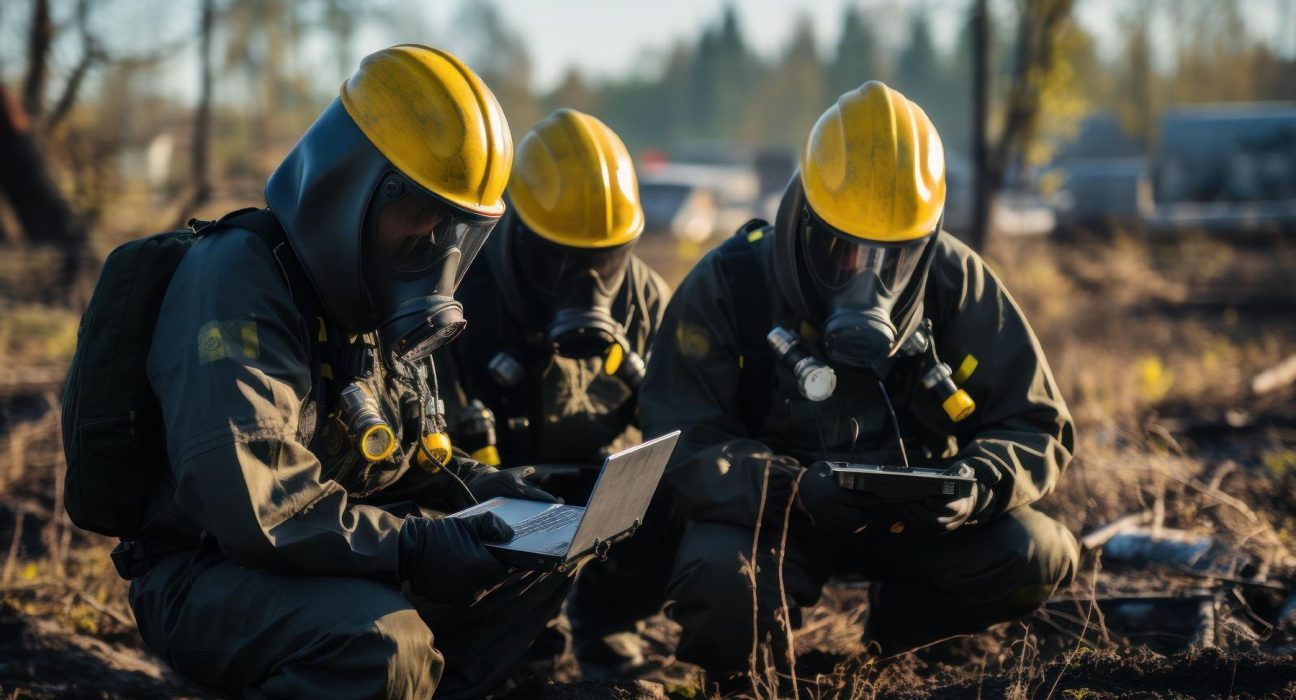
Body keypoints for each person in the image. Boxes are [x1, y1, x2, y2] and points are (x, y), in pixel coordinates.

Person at [122, 45, 569, 698]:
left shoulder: (366, 293)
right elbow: (257, 505)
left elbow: (413, 458)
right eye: (421, 214)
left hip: (322, 554)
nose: (435, 244)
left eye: (454, 229)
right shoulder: (237, 280)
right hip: (205, 571)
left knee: (532, 566)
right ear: (354, 183)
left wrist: (519, 496)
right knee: (383, 647)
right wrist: (414, 548)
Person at [640, 81, 1079, 681]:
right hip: (780, 520)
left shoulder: (954, 282)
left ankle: (896, 647)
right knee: (722, 583)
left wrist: (974, 484)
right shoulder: (731, 285)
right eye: (839, 251)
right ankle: (755, 682)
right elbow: (677, 442)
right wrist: (789, 490)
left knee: (1037, 552)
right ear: (803, 219)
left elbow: (1035, 422)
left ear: (922, 247)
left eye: (891, 259)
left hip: (919, 524)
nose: (863, 278)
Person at [432, 108, 673, 675]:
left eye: (603, 261)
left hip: (603, 492)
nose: (585, 281)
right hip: (490, 490)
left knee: (690, 489)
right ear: (517, 229)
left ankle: (610, 623)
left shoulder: (645, 300)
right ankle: (510, 638)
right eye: (562, 260)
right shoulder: (457, 290)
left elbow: (684, 421)